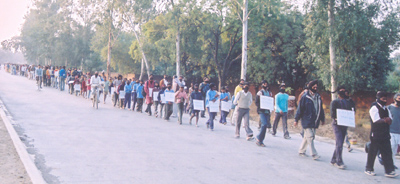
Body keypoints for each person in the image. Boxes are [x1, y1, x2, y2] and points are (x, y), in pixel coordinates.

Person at [365, 91, 398, 177]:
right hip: (376, 135)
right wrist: (385, 120)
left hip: (385, 135)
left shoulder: (386, 109)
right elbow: (376, 120)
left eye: (386, 98)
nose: (385, 100)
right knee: (373, 152)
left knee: (387, 153)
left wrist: (386, 120)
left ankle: (389, 171)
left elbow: (390, 120)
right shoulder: (374, 108)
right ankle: (369, 169)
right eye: (383, 98)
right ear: (378, 99)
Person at [294, 80, 325, 160]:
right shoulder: (305, 97)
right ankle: (314, 154)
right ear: (310, 87)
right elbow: (300, 109)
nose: (315, 88)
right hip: (306, 120)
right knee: (310, 137)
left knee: (308, 137)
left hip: (315, 121)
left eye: (316, 87)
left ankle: (301, 151)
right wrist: (296, 119)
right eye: (314, 87)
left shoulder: (318, 97)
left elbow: (320, 109)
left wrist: (322, 119)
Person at [329, 86, 353, 169]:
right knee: (339, 142)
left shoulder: (348, 102)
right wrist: (337, 118)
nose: (343, 92)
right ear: (338, 92)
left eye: (344, 90)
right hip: (337, 124)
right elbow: (332, 114)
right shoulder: (335, 102)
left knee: (340, 142)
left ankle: (333, 159)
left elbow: (352, 111)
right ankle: (339, 161)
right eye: (341, 91)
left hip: (344, 124)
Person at [255, 81, 272, 147]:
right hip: (262, 111)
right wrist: (260, 107)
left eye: (266, 84)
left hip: (267, 111)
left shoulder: (269, 93)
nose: (265, 85)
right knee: (264, 124)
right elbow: (256, 102)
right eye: (264, 84)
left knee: (265, 126)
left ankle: (260, 139)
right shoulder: (260, 93)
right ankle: (259, 138)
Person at [388, 93, 400, 170]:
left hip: (398, 132)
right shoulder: (389, 107)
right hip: (391, 131)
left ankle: (392, 163)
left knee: (395, 149)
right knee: (391, 147)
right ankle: (389, 164)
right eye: (399, 98)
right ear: (394, 99)